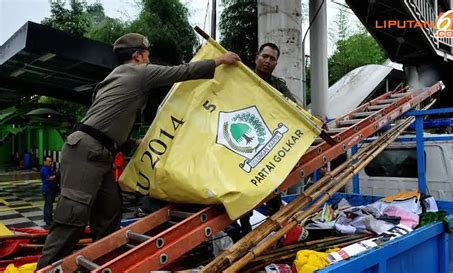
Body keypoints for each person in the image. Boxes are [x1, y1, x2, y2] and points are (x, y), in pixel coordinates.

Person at [37, 33, 241, 269]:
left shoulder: (115, 76)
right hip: (86, 151)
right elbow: (181, 72)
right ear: (137, 55)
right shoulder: (138, 72)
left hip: (99, 151)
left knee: (109, 215)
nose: (149, 58)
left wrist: (132, 143)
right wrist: (219, 60)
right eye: (147, 54)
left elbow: (106, 122)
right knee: (72, 217)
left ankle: (103, 264)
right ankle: (46, 268)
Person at [238, 43, 296, 238]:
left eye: (272, 59)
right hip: (242, 142)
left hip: (267, 144)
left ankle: (273, 234)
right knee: (244, 189)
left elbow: (293, 105)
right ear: (256, 57)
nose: (267, 61)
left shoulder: (277, 84)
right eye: (265, 56)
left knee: (272, 186)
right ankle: (245, 232)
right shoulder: (242, 77)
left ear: (276, 63)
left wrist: (313, 120)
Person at [39, 155, 58, 226]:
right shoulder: (44, 169)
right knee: (49, 205)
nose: (50, 163)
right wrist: (58, 175)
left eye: (51, 161)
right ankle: (48, 220)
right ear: (45, 162)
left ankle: (47, 218)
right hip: (48, 189)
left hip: (49, 188)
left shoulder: (48, 168)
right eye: (49, 161)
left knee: (48, 204)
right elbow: (50, 178)